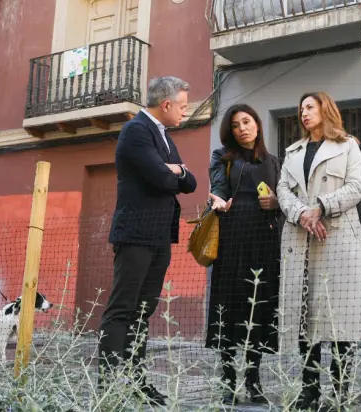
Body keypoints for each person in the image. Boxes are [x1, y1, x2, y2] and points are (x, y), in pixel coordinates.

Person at [99, 76, 197, 406]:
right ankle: (109, 385)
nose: (186, 112)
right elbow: (159, 176)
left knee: (143, 312)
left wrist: (176, 171)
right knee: (122, 310)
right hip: (135, 234)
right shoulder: (136, 130)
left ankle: (138, 382)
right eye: (182, 106)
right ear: (166, 104)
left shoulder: (164, 136)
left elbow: (190, 182)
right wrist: (173, 172)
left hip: (159, 237)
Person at [277, 92, 361, 411]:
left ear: (325, 109)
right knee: (306, 323)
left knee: (339, 322)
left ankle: (341, 392)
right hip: (301, 242)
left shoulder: (348, 146)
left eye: (310, 107)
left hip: (337, 243)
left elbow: (356, 188)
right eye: (301, 108)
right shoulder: (293, 153)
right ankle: (309, 392)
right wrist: (303, 214)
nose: (303, 113)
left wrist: (320, 208)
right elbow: (282, 190)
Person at [205, 103, 282, 405]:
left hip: (264, 239)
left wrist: (275, 203)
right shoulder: (222, 158)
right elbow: (219, 190)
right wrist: (219, 202)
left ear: (258, 124)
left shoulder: (273, 161)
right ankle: (228, 381)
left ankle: (253, 380)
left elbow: (285, 199)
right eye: (235, 125)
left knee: (258, 307)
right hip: (232, 237)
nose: (242, 128)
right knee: (230, 304)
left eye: (246, 122)